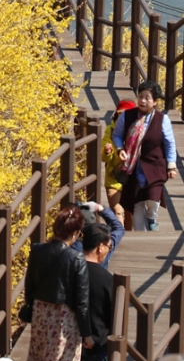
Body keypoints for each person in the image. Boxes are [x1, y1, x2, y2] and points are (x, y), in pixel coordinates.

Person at [20, 205, 93, 361]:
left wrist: (33, 310)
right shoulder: (76, 259)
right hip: (64, 319)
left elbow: (29, 286)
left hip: (41, 314)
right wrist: (86, 333)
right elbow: (82, 301)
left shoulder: (37, 250)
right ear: (76, 233)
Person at [63, 224, 114, 361]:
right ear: (100, 247)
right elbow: (113, 312)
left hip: (70, 338)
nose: (108, 250)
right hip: (99, 340)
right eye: (109, 246)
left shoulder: (69, 271)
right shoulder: (107, 279)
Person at [112, 80, 177, 231]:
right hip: (133, 167)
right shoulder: (127, 116)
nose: (142, 101)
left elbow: (169, 143)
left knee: (152, 200)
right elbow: (117, 135)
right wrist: (119, 149)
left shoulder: (162, 119)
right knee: (137, 204)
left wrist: (171, 165)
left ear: (155, 101)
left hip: (155, 166)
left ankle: (152, 217)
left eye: (147, 98)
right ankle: (141, 235)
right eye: (140, 96)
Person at [101, 99, 137, 229]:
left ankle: (129, 238)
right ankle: (120, 237)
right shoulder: (110, 130)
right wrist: (108, 151)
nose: (123, 117)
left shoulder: (140, 130)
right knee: (117, 210)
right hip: (114, 177)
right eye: (121, 114)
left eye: (127, 114)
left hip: (131, 178)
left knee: (129, 214)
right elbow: (104, 159)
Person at [71, 200, 124, 268]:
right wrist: (101, 209)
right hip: (100, 276)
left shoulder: (69, 248)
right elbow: (119, 228)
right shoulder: (104, 245)